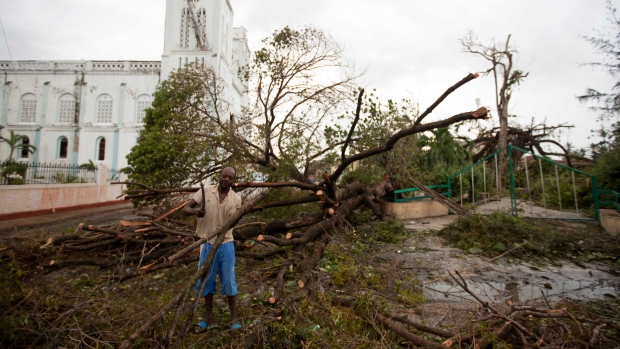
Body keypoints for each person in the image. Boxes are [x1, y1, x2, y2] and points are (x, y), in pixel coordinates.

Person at [183, 167, 249, 333]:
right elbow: (185, 209)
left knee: (228, 279)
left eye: (230, 177)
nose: (227, 179)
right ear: (219, 177)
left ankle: (233, 317)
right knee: (206, 280)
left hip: (226, 244)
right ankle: (208, 317)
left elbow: (231, 224)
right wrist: (196, 212)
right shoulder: (206, 191)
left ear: (233, 180)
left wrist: (241, 214)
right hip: (207, 243)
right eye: (224, 176)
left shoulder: (236, 199)